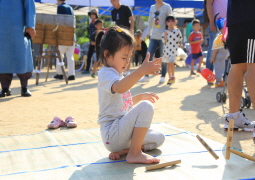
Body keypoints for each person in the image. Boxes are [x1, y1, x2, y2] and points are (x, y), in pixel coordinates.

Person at [96, 26, 165, 164]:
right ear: (108, 54)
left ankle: (124, 151)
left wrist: (140, 97)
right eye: (124, 57)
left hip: (123, 134)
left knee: (159, 137)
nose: (127, 62)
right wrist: (141, 71)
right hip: (113, 133)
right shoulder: (106, 73)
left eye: (129, 57)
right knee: (146, 106)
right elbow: (120, 88)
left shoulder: (120, 75)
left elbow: (121, 103)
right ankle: (135, 153)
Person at [224, 0, 255, 132]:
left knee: (238, 65)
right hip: (251, 15)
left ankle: (234, 117)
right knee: (252, 64)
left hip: (235, 16)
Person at [0, 0, 36, 97]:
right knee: (3, 57)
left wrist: (30, 26)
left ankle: (24, 87)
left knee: (22, 55)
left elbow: (29, 5)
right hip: (1, 27)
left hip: (18, 26)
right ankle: (5, 88)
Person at [139, 0, 172, 83]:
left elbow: (170, 20)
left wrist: (168, 33)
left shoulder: (167, 7)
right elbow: (150, 21)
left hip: (163, 36)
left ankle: (163, 76)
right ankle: (146, 75)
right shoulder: (152, 7)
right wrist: (149, 33)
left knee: (163, 56)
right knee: (148, 55)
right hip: (153, 36)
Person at [204, 0, 227, 85]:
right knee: (212, 50)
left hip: (229, 22)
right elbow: (208, 4)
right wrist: (212, 22)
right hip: (218, 22)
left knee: (227, 50)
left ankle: (225, 77)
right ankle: (209, 77)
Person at [110, 0, 135, 75]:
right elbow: (115, 24)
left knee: (128, 51)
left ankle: (128, 70)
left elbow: (132, 19)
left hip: (127, 33)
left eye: (114, 1)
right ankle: (121, 69)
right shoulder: (113, 11)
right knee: (119, 51)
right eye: (111, 1)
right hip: (118, 34)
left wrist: (131, 31)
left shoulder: (126, 8)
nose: (113, 3)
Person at [54, 0, 76, 80]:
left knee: (60, 55)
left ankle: (60, 73)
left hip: (63, 35)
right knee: (70, 56)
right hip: (72, 35)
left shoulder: (60, 7)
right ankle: (71, 74)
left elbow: (59, 21)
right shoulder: (70, 7)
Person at [161, 15, 182, 85]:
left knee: (172, 62)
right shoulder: (164, 31)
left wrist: (180, 45)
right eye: (169, 21)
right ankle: (170, 77)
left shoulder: (177, 31)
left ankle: (173, 76)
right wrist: (165, 35)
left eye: (172, 21)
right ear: (166, 23)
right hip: (166, 50)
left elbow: (180, 39)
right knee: (169, 64)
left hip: (174, 50)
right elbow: (163, 41)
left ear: (175, 22)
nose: (170, 23)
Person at [210, 18, 229, 87]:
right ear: (220, 29)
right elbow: (216, 50)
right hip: (219, 58)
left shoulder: (225, 37)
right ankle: (218, 81)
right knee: (219, 69)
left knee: (223, 70)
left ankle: (222, 81)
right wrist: (213, 58)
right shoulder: (219, 38)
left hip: (225, 57)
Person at [82, 9, 98, 74]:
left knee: (99, 57)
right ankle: (87, 69)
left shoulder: (97, 22)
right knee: (89, 55)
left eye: (93, 14)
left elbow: (99, 32)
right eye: (91, 14)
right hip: (91, 41)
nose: (92, 15)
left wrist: (96, 42)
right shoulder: (91, 22)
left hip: (96, 42)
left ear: (96, 15)